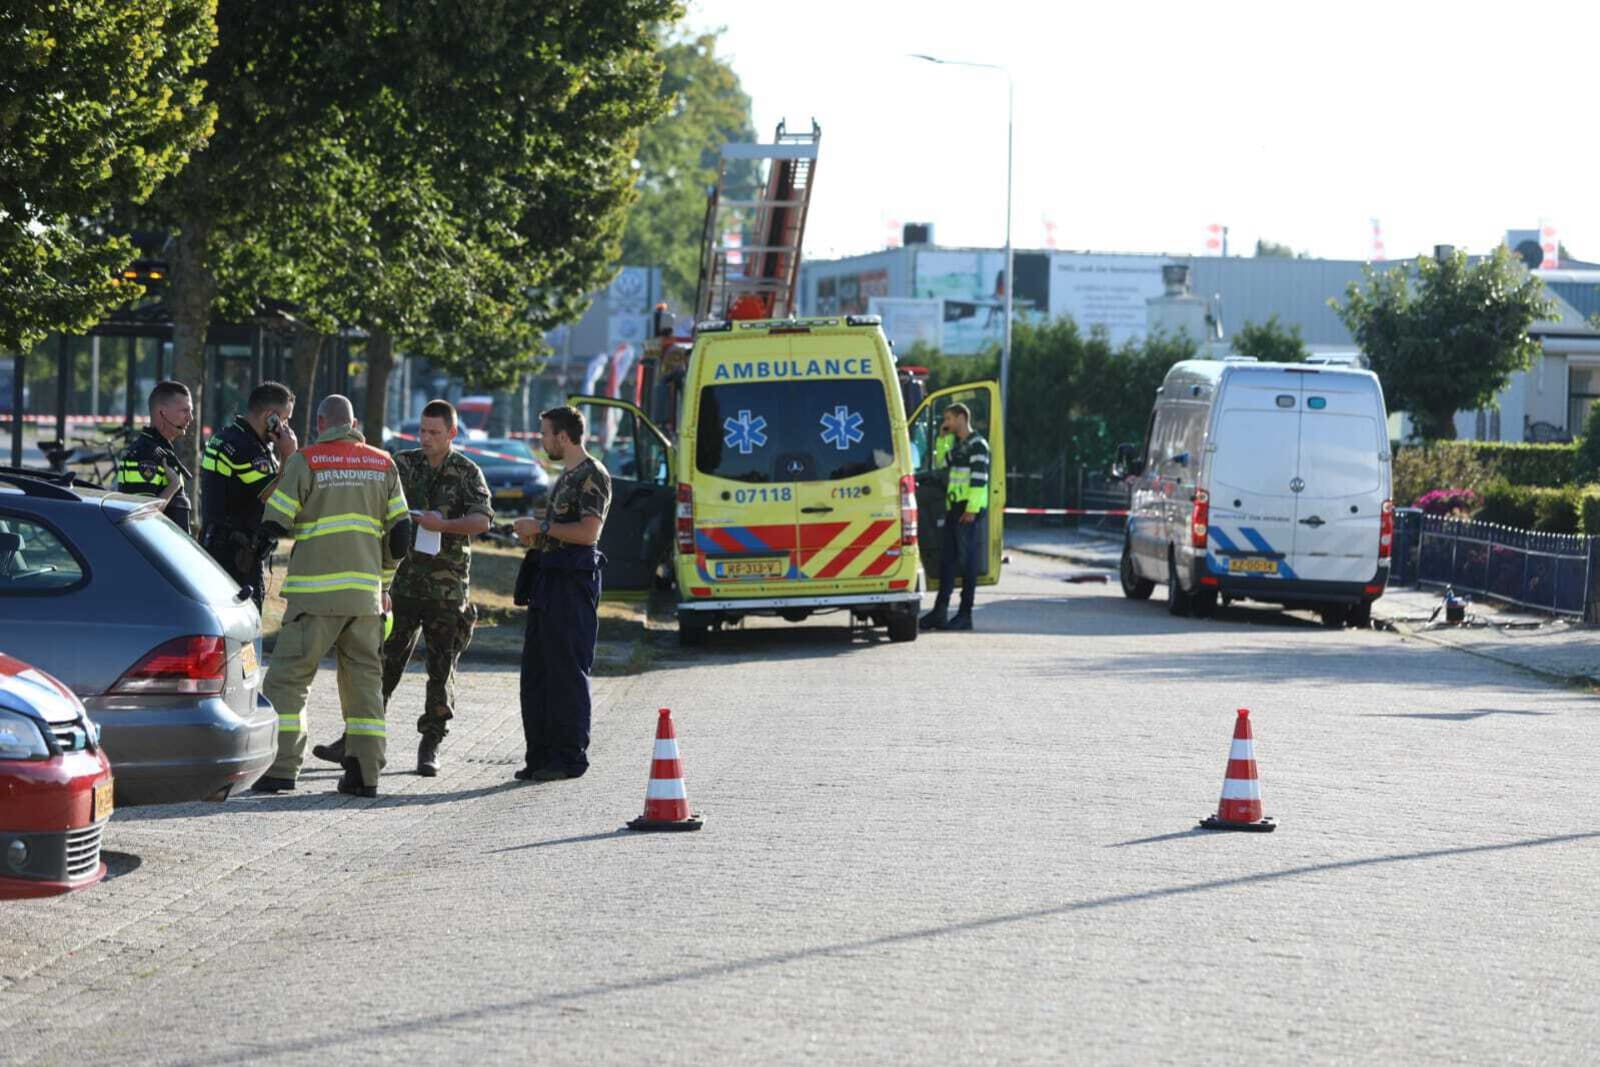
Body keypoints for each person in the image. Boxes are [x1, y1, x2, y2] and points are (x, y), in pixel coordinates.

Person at [310, 399, 492, 777]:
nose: (425, 438)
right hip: (402, 584)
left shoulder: (467, 471)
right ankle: (356, 741)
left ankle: (430, 745)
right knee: (382, 665)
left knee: (441, 670)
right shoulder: (403, 464)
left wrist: (444, 526)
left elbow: (482, 521)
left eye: (434, 433)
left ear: (452, 434)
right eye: (422, 431)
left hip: (447, 588)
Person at [250, 395, 410, 798]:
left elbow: (275, 520)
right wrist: (384, 585)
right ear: (353, 422)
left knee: (288, 682)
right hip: (365, 600)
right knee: (364, 686)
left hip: (314, 598)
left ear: (320, 423)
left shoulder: (308, 460)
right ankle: (364, 773)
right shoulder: (383, 463)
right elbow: (400, 536)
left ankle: (282, 769)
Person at [511, 405, 610, 783]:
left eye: (546, 435)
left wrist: (543, 525)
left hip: (572, 582)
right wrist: (533, 533)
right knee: (537, 673)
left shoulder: (592, 475)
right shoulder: (566, 475)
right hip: (548, 580)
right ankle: (540, 755)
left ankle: (569, 758)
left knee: (566, 672)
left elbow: (588, 534)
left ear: (564, 437)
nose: (542, 442)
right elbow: (558, 529)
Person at [199, 382, 299, 615]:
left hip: (218, 546)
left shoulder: (227, 436)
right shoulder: (247, 448)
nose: (287, 426)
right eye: (285, 419)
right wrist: (288, 455)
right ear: (270, 416)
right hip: (236, 557)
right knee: (246, 628)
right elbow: (274, 496)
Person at [920, 402, 990, 632]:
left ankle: (965, 614)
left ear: (962, 417)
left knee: (966, 562)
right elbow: (942, 463)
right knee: (947, 561)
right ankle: (940, 612)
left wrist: (971, 509)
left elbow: (980, 480)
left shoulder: (978, 445)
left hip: (968, 510)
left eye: (949, 419)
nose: (946, 423)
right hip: (955, 509)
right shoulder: (960, 445)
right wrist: (942, 439)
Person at [116, 380, 196, 535]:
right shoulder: (146, 453)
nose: (190, 418)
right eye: (184, 411)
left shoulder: (160, 449)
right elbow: (141, 517)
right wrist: (173, 486)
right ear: (162, 413)